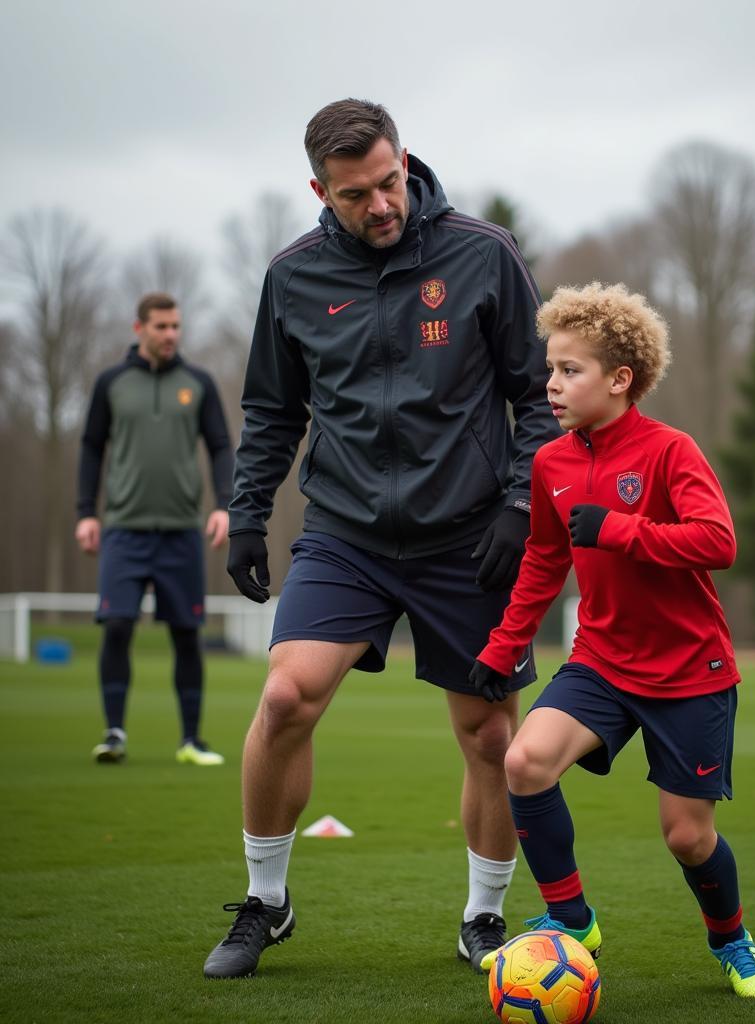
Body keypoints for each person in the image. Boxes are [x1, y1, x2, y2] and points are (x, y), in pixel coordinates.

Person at [203, 99, 557, 980]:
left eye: (391, 182)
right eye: (358, 194)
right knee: (286, 699)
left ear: (407, 163)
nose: (382, 204)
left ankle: (482, 917)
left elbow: (540, 398)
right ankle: (267, 901)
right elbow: (272, 409)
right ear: (322, 189)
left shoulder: (484, 253)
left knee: (488, 736)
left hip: (470, 535)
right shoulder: (293, 276)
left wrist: (520, 504)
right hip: (347, 534)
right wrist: (249, 511)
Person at [470, 282, 755, 999]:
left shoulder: (671, 451)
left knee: (687, 838)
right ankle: (572, 922)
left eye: (569, 371)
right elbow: (545, 561)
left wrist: (617, 529)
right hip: (601, 662)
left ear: (619, 379)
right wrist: (502, 644)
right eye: (550, 370)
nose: (551, 385)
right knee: (525, 760)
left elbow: (719, 541)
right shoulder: (550, 463)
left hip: (690, 673)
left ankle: (731, 939)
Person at [75, 292, 233, 766]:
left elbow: (222, 447)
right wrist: (86, 511)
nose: (171, 335)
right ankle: (114, 733)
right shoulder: (112, 383)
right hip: (124, 529)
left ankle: (191, 740)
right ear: (138, 327)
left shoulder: (198, 383)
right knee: (118, 626)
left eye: (176, 326)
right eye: (161, 326)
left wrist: (224, 505)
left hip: (183, 532)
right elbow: (90, 447)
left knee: (187, 633)